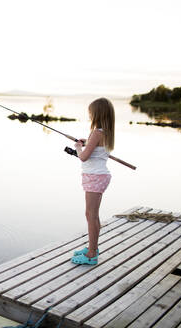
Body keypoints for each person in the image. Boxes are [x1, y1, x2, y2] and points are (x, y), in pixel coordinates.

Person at [71, 98, 115, 265]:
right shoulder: (105, 132)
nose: (89, 115)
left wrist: (78, 147)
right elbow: (95, 150)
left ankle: (91, 254)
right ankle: (93, 248)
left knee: (91, 215)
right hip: (98, 176)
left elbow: (83, 157)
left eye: (91, 112)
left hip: (95, 177)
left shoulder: (96, 132)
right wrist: (87, 142)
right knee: (92, 215)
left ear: (97, 113)